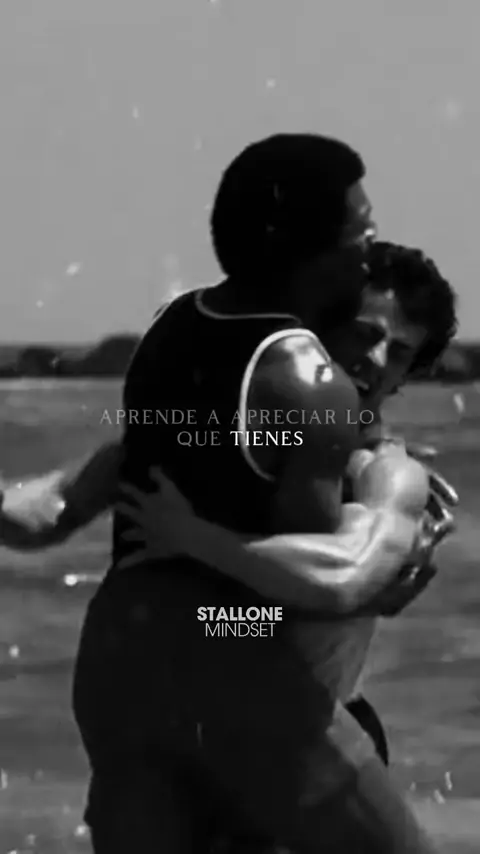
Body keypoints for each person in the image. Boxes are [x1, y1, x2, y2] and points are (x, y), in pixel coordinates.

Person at [0, 136, 456, 852]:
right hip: (239, 668)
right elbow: (330, 584)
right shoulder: (336, 431)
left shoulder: (190, 375)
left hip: (122, 661)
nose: (374, 361)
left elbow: (48, 512)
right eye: (362, 334)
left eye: (398, 353)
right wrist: (372, 582)